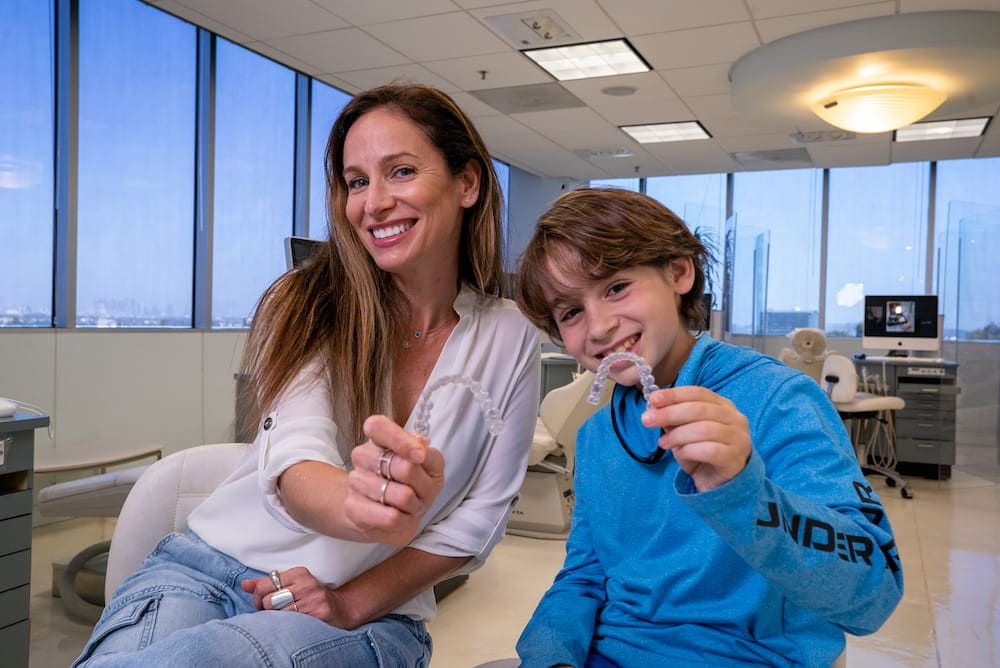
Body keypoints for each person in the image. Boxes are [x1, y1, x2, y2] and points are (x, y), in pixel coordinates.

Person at [73, 84, 540, 667]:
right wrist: (356, 503)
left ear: (467, 183)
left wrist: (349, 602)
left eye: (400, 171)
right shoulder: (307, 302)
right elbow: (295, 454)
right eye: (357, 181)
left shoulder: (509, 334)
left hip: (371, 613)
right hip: (205, 568)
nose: (374, 202)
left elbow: (480, 520)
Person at [513, 187, 903, 667]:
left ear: (678, 272)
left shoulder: (779, 401)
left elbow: (874, 593)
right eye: (571, 312)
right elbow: (584, 578)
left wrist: (743, 492)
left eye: (616, 287)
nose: (598, 327)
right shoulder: (597, 436)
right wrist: (550, 657)